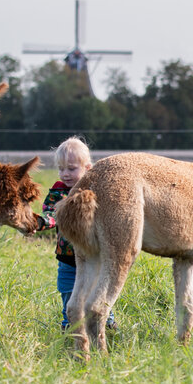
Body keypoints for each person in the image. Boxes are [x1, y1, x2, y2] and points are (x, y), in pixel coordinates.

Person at [38, 136, 112, 330]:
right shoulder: (58, 193)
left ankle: (107, 324)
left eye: (71, 169)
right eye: (61, 169)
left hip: (94, 257)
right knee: (69, 294)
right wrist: (42, 221)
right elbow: (51, 213)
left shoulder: (97, 192)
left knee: (98, 293)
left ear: (87, 168)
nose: (65, 174)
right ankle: (70, 327)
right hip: (68, 259)